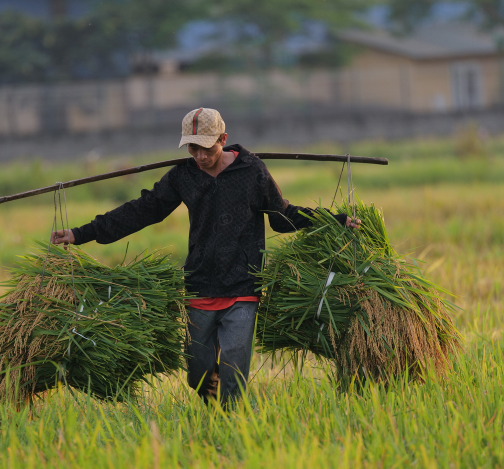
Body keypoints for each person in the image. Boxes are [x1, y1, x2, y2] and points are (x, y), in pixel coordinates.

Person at [51, 108, 361, 407]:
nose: (200, 156)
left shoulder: (252, 171)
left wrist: (334, 219)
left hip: (243, 285)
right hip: (199, 284)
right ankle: (212, 411)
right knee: (198, 373)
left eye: (206, 149)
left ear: (223, 139)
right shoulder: (184, 176)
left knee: (233, 368)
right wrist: (82, 233)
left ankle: (229, 426)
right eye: (192, 149)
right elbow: (144, 210)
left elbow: (282, 216)